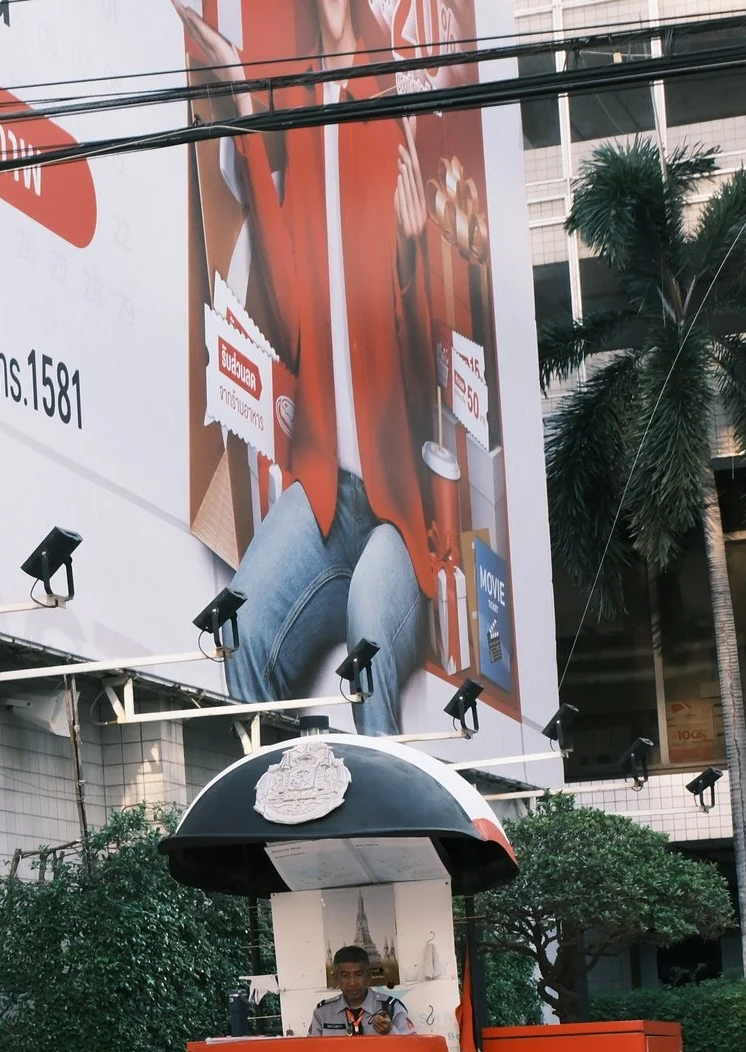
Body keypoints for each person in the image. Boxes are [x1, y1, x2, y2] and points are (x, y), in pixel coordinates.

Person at [174, 0, 437, 734]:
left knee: (369, 627)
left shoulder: (386, 110)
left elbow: (421, 387)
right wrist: (239, 98)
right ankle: (283, 807)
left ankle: (387, 831)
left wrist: (410, 256)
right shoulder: (305, 111)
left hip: (392, 512)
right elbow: (290, 316)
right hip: (324, 487)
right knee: (244, 626)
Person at [308, 944, 413, 1035]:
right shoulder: (323, 1013)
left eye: (359, 974)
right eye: (345, 975)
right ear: (336, 978)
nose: (352, 982)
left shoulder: (391, 1008)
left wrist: (390, 1031)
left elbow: (412, 1050)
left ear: (368, 975)